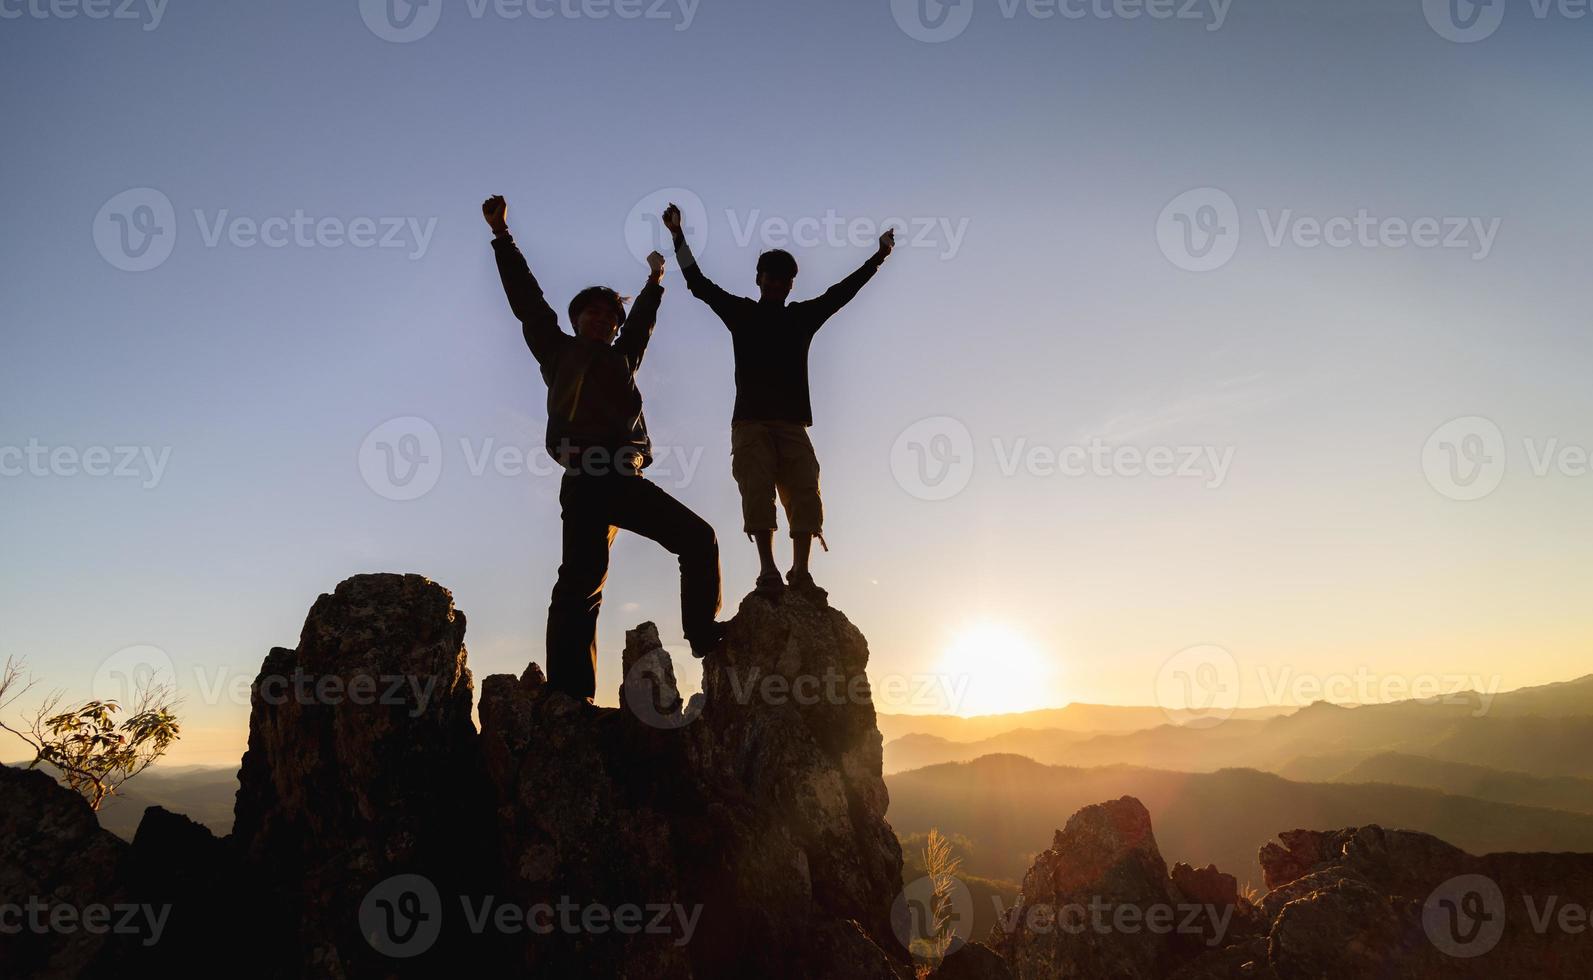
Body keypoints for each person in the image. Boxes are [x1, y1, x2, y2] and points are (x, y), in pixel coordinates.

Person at [483, 195, 723, 704]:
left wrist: (655, 282)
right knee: (584, 584)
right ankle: (573, 696)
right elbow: (526, 300)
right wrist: (503, 237)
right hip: (588, 477)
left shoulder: (623, 358)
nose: (601, 320)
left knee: (687, 545)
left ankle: (700, 638)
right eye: (591, 312)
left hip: (622, 476)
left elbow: (642, 324)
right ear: (575, 320)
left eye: (609, 316)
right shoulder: (557, 351)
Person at [661, 203, 894, 601]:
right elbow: (698, 283)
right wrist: (677, 235)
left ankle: (800, 572)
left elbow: (842, 293)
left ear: (790, 285)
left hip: (792, 424)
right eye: (770, 277)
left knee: (805, 489)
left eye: (783, 280)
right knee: (757, 489)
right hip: (750, 422)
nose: (776, 284)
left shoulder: (801, 318)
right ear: (759, 279)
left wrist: (877, 258)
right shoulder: (741, 314)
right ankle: (768, 570)